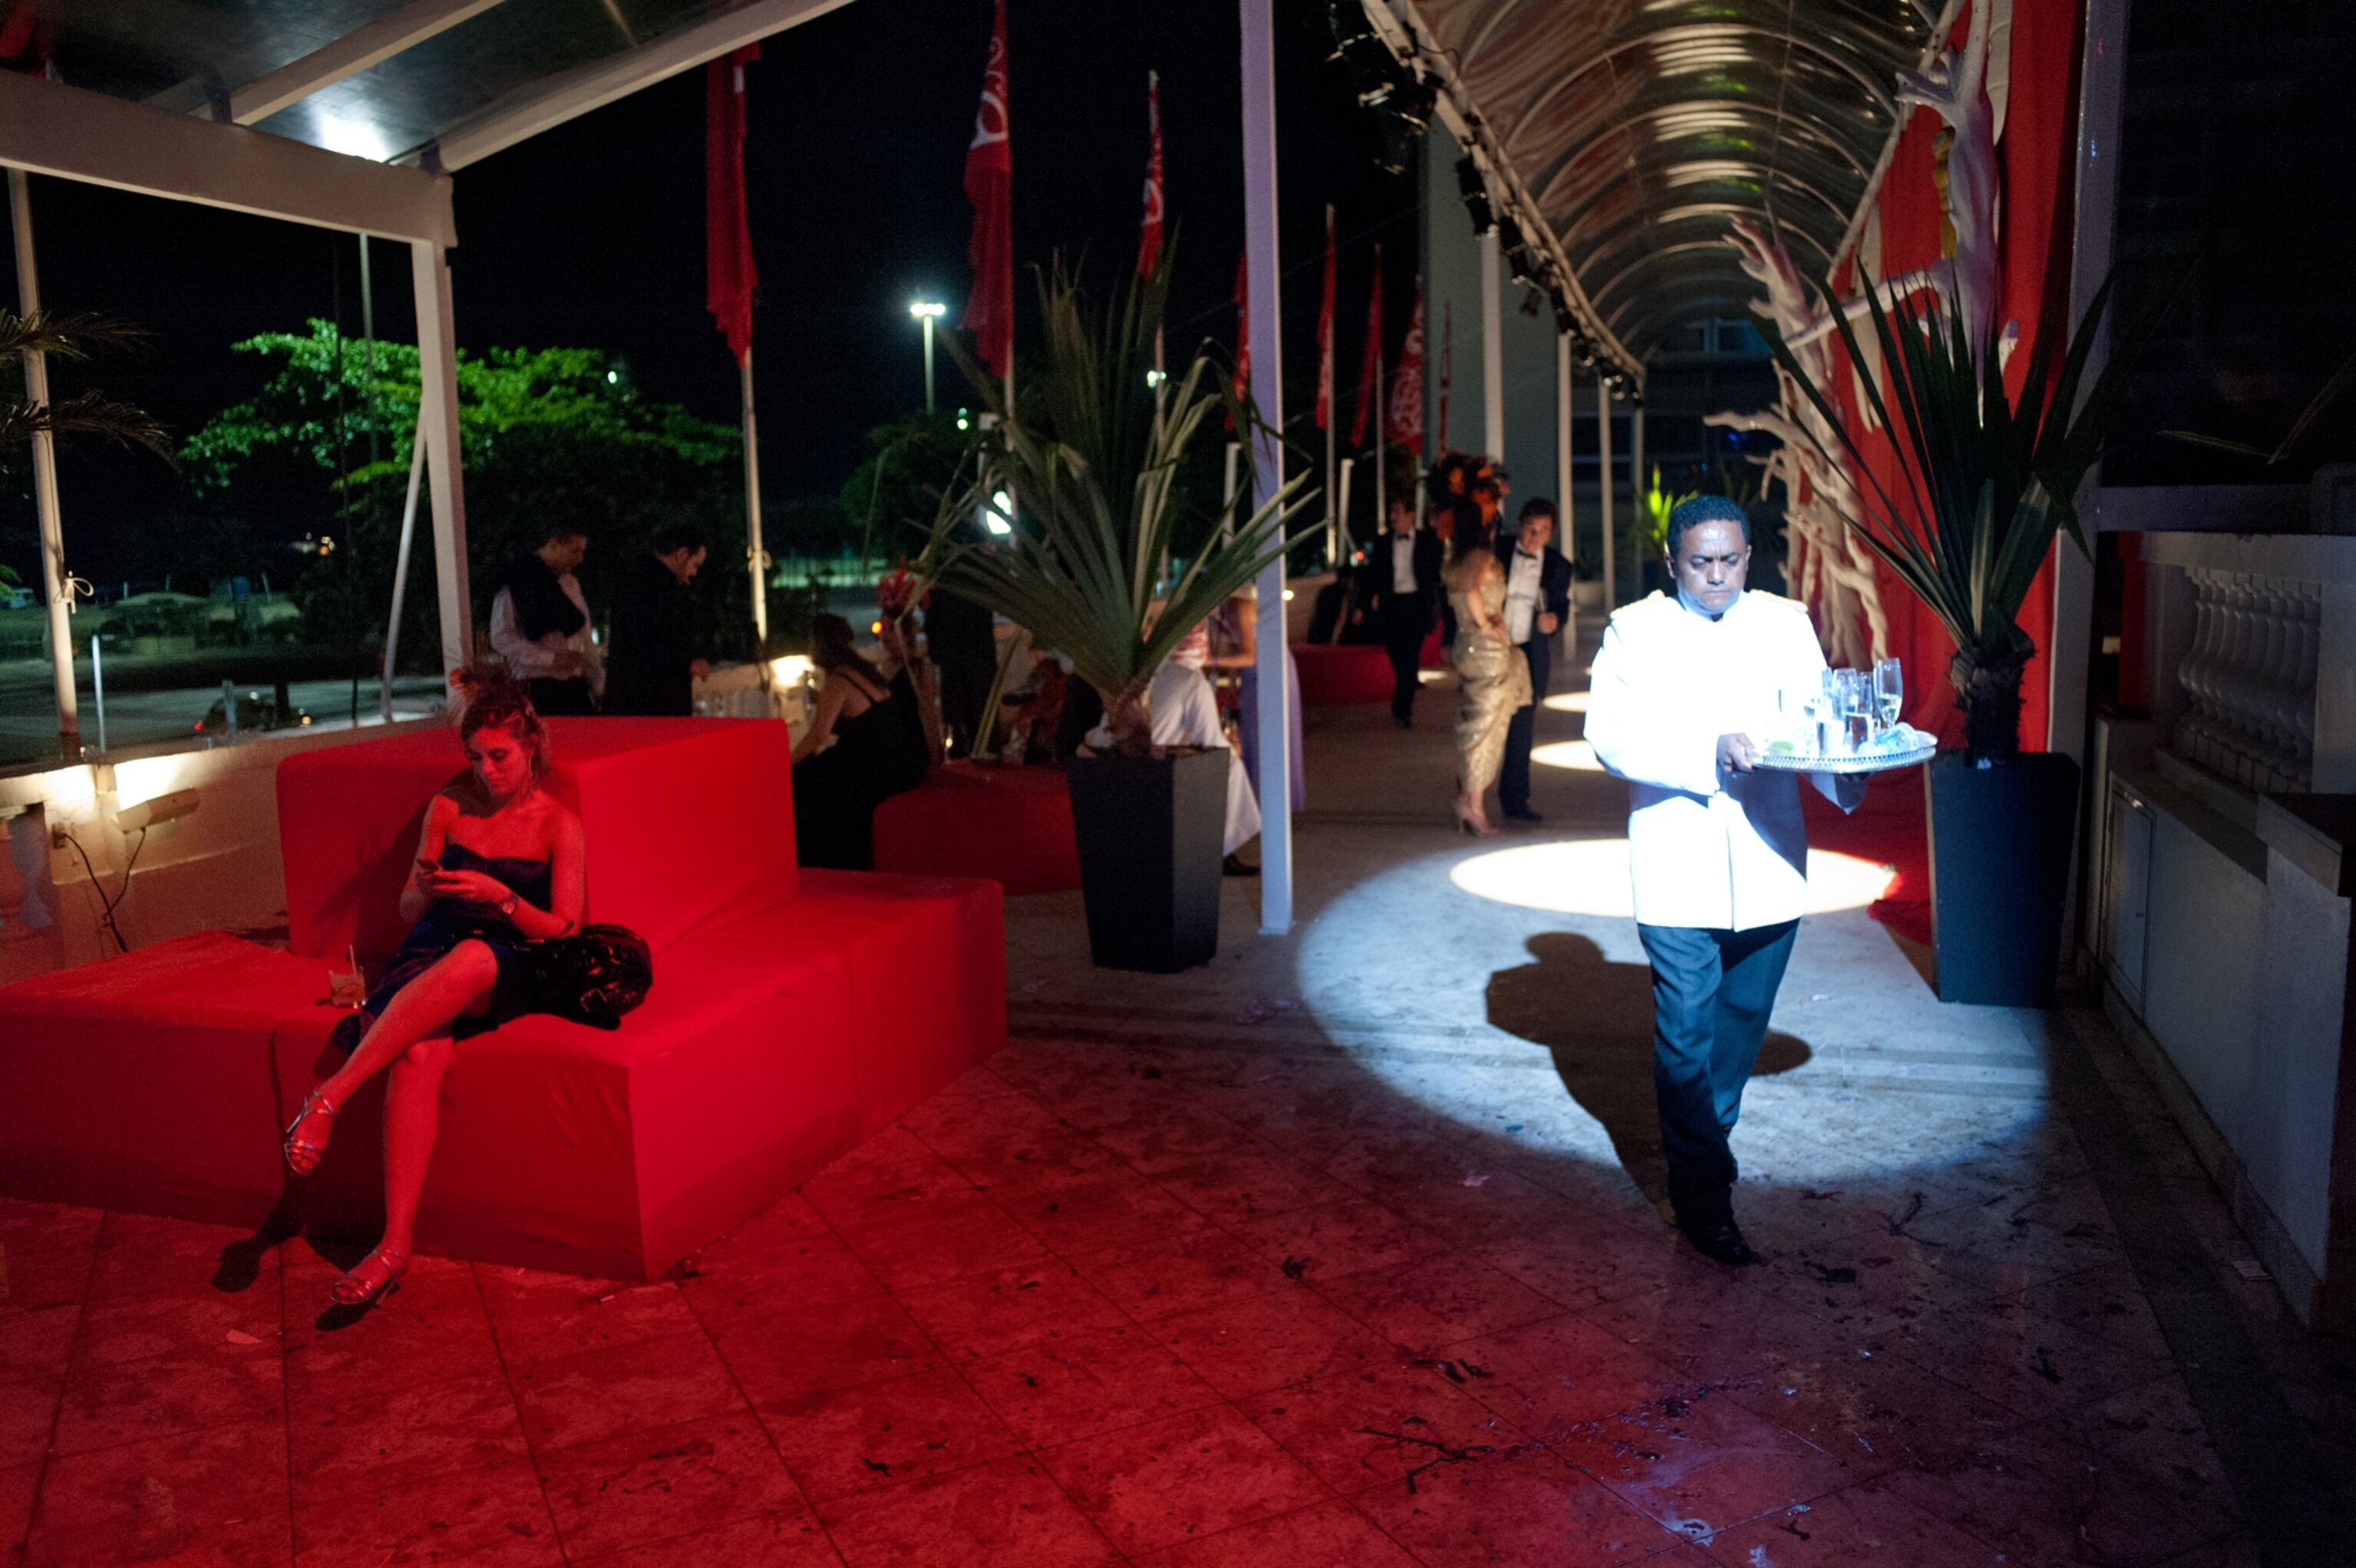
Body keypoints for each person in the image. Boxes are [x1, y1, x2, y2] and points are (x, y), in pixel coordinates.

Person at [1584, 495, 1867, 1267]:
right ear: (1672, 559)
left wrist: (1853, 757)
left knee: (1738, 1029)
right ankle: (1706, 1198)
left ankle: (1707, 1150)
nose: (1716, 575)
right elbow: (1606, 734)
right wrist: (1707, 748)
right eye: (1701, 561)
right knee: (1684, 1040)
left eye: (1731, 560)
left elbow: (1821, 727)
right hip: (1677, 869)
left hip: (1772, 863)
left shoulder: (1784, 621)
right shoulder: (1633, 630)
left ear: (1750, 556)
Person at [279, 668, 587, 1309]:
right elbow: (407, 907)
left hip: (511, 956)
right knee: (419, 1051)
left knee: (475, 955)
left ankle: (329, 1095)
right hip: (432, 948)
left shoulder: (559, 824)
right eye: (475, 757)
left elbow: (564, 928)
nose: (486, 770)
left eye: (498, 756)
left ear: (529, 744)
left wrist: (499, 898)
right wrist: (426, 886)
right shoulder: (449, 805)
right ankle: (393, 1246)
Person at [1441, 462, 1526, 837]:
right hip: (1485, 650)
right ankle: (1471, 804)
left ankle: (1470, 802)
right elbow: (1470, 589)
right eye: (1490, 512)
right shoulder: (1477, 557)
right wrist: (1485, 622)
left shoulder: (1456, 555)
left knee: (1479, 721)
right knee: (1484, 727)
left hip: (1471, 647)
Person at [1147, 623, 1262, 876]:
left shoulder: (1152, 672)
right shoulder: (1190, 679)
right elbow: (1210, 740)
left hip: (1137, 755)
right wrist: (1233, 749)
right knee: (1231, 767)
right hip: (1162, 764)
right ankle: (1222, 849)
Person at [791, 615, 904, 869]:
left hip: (868, 769)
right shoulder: (863, 672)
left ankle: (814, 861)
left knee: (801, 779)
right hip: (890, 760)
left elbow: (818, 736)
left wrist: (786, 762)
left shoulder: (839, 680)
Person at [1493, 498, 1573, 822]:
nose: (1533, 538)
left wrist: (1555, 619)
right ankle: (1471, 796)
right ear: (1520, 524)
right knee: (1484, 724)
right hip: (1493, 648)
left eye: (1542, 532)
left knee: (1521, 730)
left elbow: (1560, 605)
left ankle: (1515, 800)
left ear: (1550, 534)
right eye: (1529, 529)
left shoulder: (1558, 565)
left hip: (1528, 652)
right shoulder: (1497, 549)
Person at [1210, 587, 1306, 814]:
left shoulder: (1237, 606)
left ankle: (1270, 800)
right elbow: (1241, 649)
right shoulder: (1226, 612)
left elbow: (1250, 656)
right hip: (1257, 674)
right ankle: (1265, 799)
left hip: (1269, 671)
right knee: (1253, 733)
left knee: (1266, 734)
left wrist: (1209, 660)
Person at [489, 527, 602, 715]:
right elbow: (501, 637)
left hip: (574, 687)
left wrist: (597, 683)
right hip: (538, 688)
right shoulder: (517, 581)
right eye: (574, 551)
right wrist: (550, 660)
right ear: (553, 545)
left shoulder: (570, 584)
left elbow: (584, 635)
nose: (580, 559)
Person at [601, 524, 710, 717]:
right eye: (695, 565)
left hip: (628, 702)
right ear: (682, 554)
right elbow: (657, 644)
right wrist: (688, 662)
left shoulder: (633, 578)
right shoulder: (662, 590)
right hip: (653, 703)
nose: (694, 574)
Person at [1354, 496, 1444, 727]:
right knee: (1396, 654)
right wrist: (1363, 605)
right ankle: (1404, 692)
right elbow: (1371, 577)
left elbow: (1436, 575)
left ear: (1411, 515)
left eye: (1398, 511)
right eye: (1392, 511)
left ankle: (1402, 709)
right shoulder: (1382, 542)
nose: (1393, 517)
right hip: (1392, 604)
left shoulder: (1429, 541)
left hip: (1416, 604)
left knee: (1410, 654)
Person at [925, 583, 997, 758]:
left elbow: (932, 616)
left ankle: (963, 751)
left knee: (961, 715)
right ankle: (979, 751)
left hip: (956, 652)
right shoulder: (976, 584)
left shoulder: (944, 584)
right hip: (973, 652)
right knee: (976, 713)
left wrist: (936, 650)